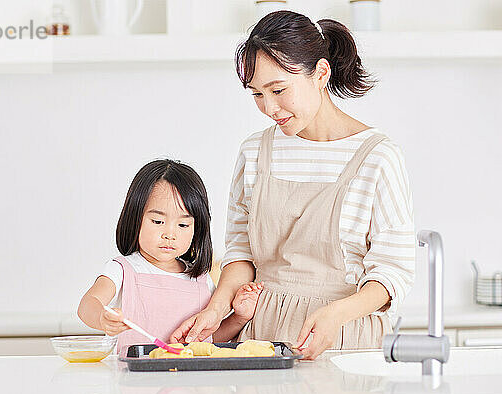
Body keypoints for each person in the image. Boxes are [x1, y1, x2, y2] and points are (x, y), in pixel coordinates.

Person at [170, 11, 415, 360]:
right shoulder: (254, 152)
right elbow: (242, 254)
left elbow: (393, 274)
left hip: (347, 336)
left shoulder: (378, 157)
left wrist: (336, 314)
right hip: (262, 335)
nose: (269, 107)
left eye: (279, 89)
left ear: (320, 73)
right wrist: (216, 308)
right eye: (256, 94)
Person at [77, 159, 262, 355]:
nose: (170, 234)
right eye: (158, 221)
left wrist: (239, 319)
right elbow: (87, 305)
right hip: (131, 381)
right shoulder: (123, 269)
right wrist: (102, 319)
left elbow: (207, 338)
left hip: (188, 383)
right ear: (135, 217)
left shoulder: (200, 279)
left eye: (183, 225)